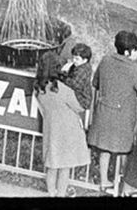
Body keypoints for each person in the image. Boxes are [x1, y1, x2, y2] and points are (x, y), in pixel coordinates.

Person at [87, 30, 137, 193]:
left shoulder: (105, 61)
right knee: (125, 150)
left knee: (105, 150)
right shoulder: (134, 69)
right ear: (128, 52)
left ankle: (104, 181)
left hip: (103, 113)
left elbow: (96, 83)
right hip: (123, 118)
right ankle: (124, 183)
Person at [35, 51, 90, 198]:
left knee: (51, 165)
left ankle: (51, 193)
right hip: (67, 130)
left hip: (51, 129)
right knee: (65, 167)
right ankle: (61, 193)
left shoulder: (39, 89)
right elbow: (79, 107)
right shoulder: (62, 89)